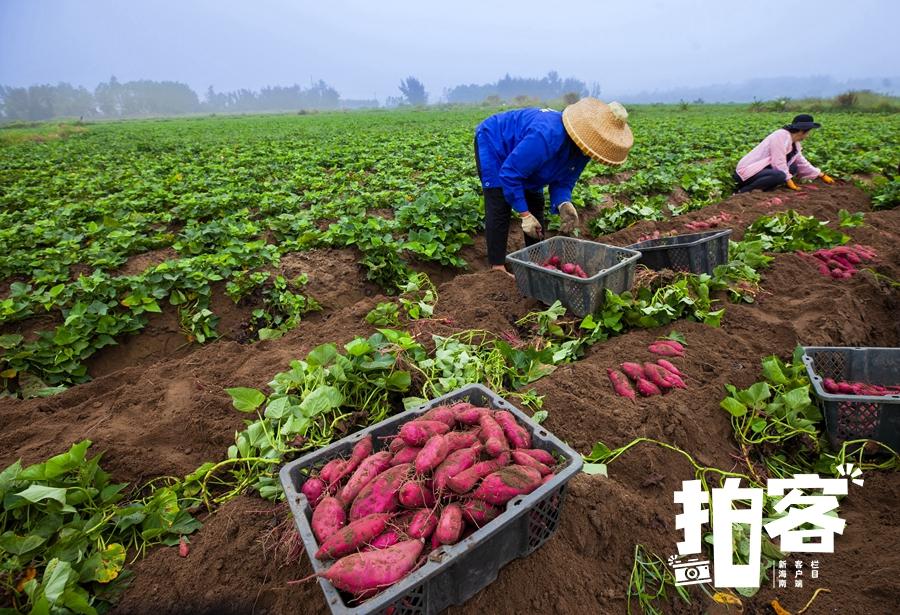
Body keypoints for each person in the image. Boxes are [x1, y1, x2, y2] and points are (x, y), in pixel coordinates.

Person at [474, 98, 634, 274]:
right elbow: (510, 173)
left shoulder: (584, 149)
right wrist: (524, 214)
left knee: (535, 201)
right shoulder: (547, 134)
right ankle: (497, 268)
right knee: (499, 202)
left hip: (525, 156)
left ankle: (538, 263)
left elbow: (565, 181)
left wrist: (563, 202)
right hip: (495, 143)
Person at [734, 114, 835, 193]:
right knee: (780, 175)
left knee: (794, 167)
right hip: (747, 172)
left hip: (762, 171)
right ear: (802, 131)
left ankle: (764, 188)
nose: (808, 135)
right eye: (808, 132)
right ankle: (743, 191)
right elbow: (778, 161)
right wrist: (789, 180)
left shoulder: (795, 143)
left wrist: (821, 175)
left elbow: (801, 162)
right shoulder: (780, 136)